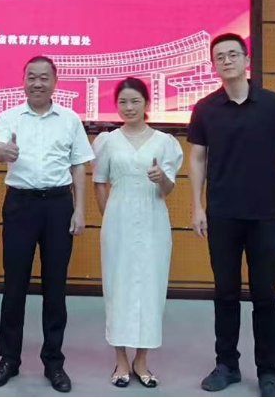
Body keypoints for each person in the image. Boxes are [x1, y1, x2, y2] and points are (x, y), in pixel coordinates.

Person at [189, 34, 275, 398]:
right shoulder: (205, 108)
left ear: (246, 60)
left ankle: (269, 372)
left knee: (265, 295)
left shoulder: (273, 104)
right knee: (225, 293)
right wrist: (196, 205)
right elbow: (197, 159)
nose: (226, 60)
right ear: (213, 65)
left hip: (265, 215)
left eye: (233, 54)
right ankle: (227, 365)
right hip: (222, 215)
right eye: (219, 57)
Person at [0, 56, 95, 393]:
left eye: (44, 77)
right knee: (14, 285)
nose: (37, 83)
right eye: (31, 77)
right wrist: (3, 152)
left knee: (55, 286)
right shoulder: (9, 116)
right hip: (20, 205)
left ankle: (54, 362)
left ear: (55, 82)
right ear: (23, 81)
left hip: (58, 206)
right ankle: (8, 359)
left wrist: (80, 210)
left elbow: (79, 166)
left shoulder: (70, 119)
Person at [92, 77, 183, 389]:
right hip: (117, 222)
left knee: (150, 287)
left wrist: (161, 178)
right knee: (117, 286)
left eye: (135, 101)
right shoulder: (107, 141)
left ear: (146, 103)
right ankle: (120, 359)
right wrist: (110, 216)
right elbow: (99, 183)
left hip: (153, 219)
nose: (129, 107)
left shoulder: (164, 142)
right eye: (123, 102)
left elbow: (168, 188)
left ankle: (142, 360)